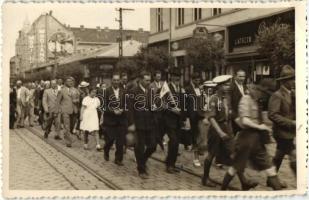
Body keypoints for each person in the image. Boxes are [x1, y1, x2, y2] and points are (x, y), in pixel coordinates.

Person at [221, 85, 282, 190]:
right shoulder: (246, 100)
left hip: (257, 139)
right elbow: (245, 121)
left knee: (269, 166)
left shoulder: (256, 101)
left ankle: (279, 192)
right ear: (254, 90)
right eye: (261, 92)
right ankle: (222, 191)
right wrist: (260, 127)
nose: (263, 95)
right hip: (246, 139)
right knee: (235, 167)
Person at [202, 75, 256, 189]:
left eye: (228, 84)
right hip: (216, 130)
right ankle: (205, 178)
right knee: (211, 154)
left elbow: (231, 115)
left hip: (228, 128)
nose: (227, 86)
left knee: (234, 155)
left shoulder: (227, 98)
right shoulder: (214, 99)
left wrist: (243, 126)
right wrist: (220, 133)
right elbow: (211, 118)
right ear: (219, 86)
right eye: (225, 84)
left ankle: (244, 181)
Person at [268, 65, 296, 177]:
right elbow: (272, 115)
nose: (294, 81)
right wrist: (291, 122)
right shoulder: (277, 95)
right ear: (285, 81)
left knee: (279, 156)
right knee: (293, 155)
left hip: (288, 132)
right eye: (292, 79)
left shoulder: (292, 93)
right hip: (281, 133)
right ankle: (301, 182)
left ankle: (271, 178)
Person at [130, 71, 157, 179]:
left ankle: (142, 160)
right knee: (140, 147)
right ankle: (141, 169)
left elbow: (152, 104)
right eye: (146, 80)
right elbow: (130, 109)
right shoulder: (134, 91)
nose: (148, 82)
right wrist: (131, 123)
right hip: (139, 123)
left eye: (149, 80)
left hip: (150, 123)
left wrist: (154, 107)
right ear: (141, 79)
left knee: (153, 146)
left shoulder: (150, 91)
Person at [162, 68, 186, 173]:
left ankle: (172, 162)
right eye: (175, 76)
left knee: (176, 142)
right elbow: (160, 103)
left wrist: (184, 118)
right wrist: (172, 109)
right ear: (171, 76)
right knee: (174, 141)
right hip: (168, 119)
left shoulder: (180, 88)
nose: (177, 78)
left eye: (178, 76)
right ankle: (169, 165)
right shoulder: (166, 88)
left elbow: (183, 104)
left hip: (178, 120)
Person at [103, 72, 128, 166]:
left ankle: (118, 159)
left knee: (120, 141)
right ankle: (106, 149)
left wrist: (123, 109)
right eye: (114, 80)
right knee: (110, 140)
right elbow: (103, 107)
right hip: (110, 121)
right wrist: (113, 111)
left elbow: (127, 104)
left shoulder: (124, 91)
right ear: (111, 81)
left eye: (118, 80)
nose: (116, 82)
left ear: (120, 81)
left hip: (121, 120)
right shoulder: (106, 91)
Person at [185, 72, 204, 167]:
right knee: (195, 137)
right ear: (192, 79)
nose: (198, 81)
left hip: (200, 115)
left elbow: (201, 101)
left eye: (199, 80)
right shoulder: (188, 89)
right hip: (192, 116)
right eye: (196, 80)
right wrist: (186, 118)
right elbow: (186, 104)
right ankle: (195, 158)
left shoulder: (199, 89)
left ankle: (198, 150)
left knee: (200, 136)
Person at [150, 70, 165, 151]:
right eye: (158, 76)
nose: (159, 78)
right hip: (155, 109)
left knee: (162, 126)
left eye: (160, 76)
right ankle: (158, 141)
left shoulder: (163, 84)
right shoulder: (151, 85)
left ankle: (159, 138)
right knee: (156, 125)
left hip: (163, 108)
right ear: (154, 77)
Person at [57, 77, 75, 147]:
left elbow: (78, 99)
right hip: (65, 111)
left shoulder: (75, 90)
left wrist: (76, 100)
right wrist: (59, 110)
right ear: (65, 82)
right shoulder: (62, 91)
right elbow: (58, 101)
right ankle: (69, 141)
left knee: (71, 127)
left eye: (71, 81)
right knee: (67, 126)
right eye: (68, 81)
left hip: (74, 111)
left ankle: (66, 135)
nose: (70, 82)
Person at [231, 69, 247, 135]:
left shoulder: (245, 87)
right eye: (240, 76)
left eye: (243, 76)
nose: (242, 78)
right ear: (235, 76)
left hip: (244, 116)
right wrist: (235, 117)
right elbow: (229, 104)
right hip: (234, 118)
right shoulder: (231, 87)